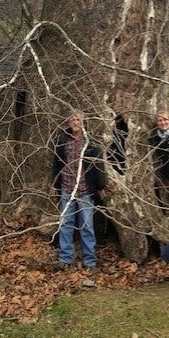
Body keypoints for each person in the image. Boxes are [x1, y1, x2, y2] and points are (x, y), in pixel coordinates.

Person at [51, 112, 106, 271]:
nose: (76, 122)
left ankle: (90, 261)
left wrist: (101, 186)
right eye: (73, 119)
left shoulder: (90, 141)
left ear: (83, 122)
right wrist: (54, 184)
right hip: (67, 189)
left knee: (87, 226)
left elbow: (98, 165)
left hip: (85, 190)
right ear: (69, 122)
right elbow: (56, 163)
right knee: (66, 224)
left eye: (78, 119)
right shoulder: (62, 139)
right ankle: (65, 259)